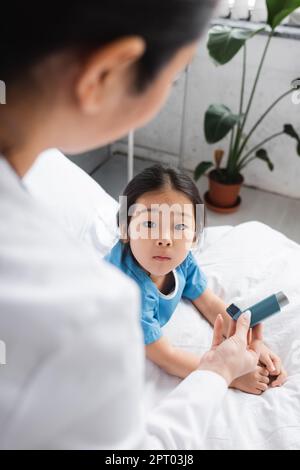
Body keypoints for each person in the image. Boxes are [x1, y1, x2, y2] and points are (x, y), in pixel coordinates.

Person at [0, 0, 260, 449]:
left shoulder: (182, 267)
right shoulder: (92, 308)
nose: (165, 236)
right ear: (106, 74)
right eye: (173, 77)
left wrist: (241, 343)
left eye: (179, 226)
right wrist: (220, 372)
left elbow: (208, 297)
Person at [105, 164, 287, 393]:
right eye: (149, 224)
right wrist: (230, 376)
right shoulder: (130, 293)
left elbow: (210, 303)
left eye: (179, 226)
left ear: (194, 235)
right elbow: (167, 357)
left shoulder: (182, 261)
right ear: (125, 229)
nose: (165, 239)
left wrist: (251, 344)